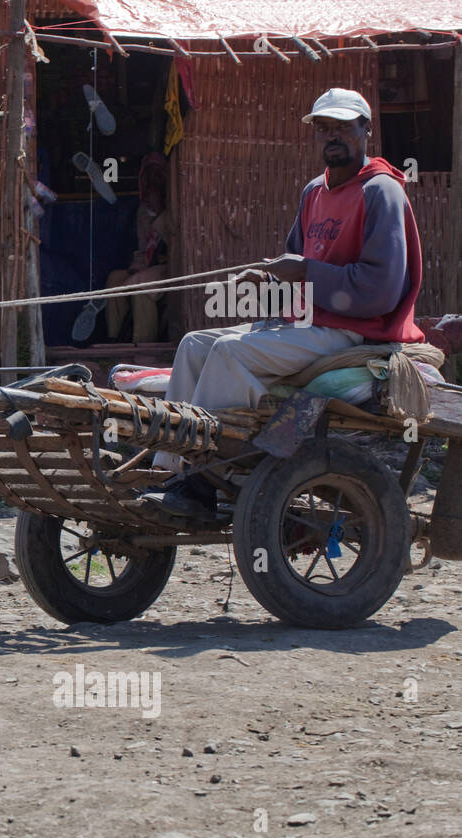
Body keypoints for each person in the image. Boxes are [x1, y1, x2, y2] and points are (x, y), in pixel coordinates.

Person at [146, 88, 423, 520]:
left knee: (227, 352)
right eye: (323, 128)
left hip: (355, 332)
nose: (332, 136)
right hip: (310, 323)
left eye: (343, 127)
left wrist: (304, 272)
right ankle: (167, 470)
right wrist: (270, 281)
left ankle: (206, 477)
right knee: (193, 344)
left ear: (366, 129)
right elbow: (298, 275)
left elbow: (380, 292)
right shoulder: (314, 191)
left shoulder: (381, 191)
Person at [103, 153, 171, 343]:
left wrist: (159, 213)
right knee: (115, 279)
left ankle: (143, 343)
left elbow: (176, 244)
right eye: (149, 176)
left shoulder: (175, 207)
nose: (153, 181)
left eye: (158, 175)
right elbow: (144, 245)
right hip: (151, 266)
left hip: (173, 267)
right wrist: (139, 260)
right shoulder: (144, 209)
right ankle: (116, 339)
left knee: (142, 285)